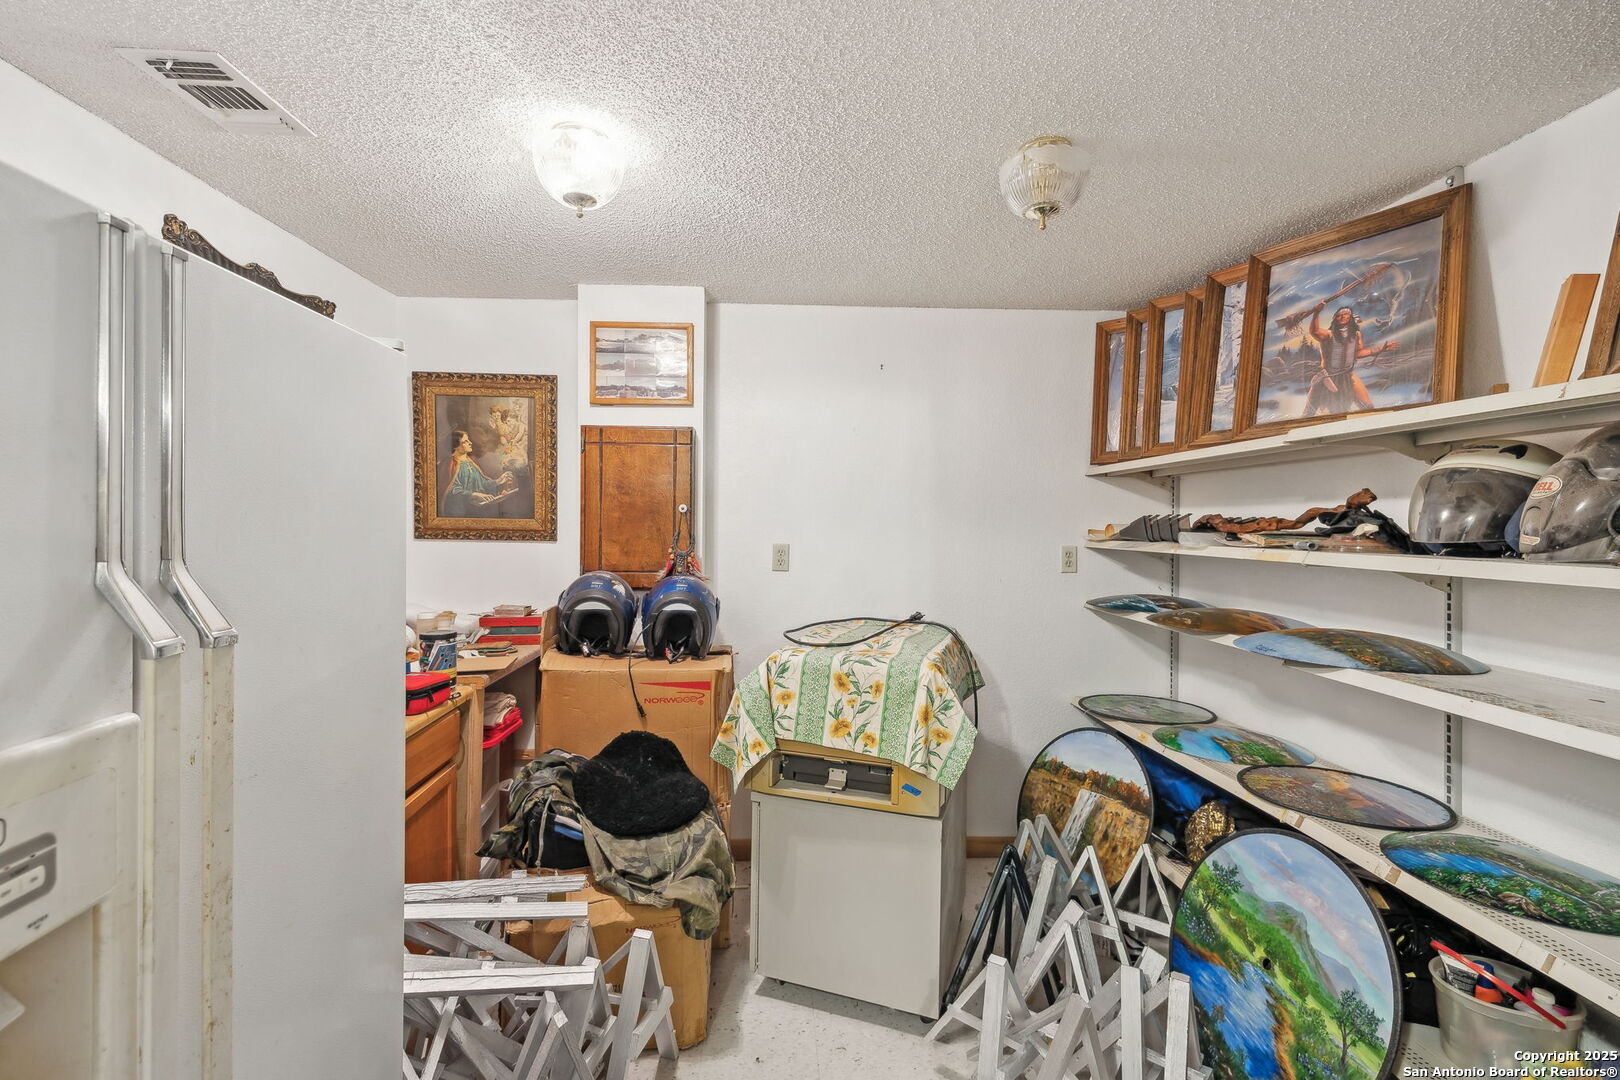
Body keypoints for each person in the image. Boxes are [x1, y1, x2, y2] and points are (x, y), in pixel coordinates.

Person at [1303, 302, 1397, 415]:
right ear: (1335, 319)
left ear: (1350, 317)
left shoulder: (1356, 334)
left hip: (1348, 374)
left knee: (1368, 407)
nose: (1342, 317)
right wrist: (1317, 312)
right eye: (1339, 315)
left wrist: (1380, 349)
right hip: (1327, 376)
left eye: (1346, 314)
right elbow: (1314, 331)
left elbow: (1358, 352)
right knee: (1309, 413)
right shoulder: (1328, 334)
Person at [442, 429, 515, 516]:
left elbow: (482, 483)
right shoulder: (449, 465)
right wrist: (473, 494)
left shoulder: (471, 461)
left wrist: (498, 481)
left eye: (468, 440)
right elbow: (451, 491)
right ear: (455, 446)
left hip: (475, 509)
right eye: (465, 441)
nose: (470, 443)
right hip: (459, 512)